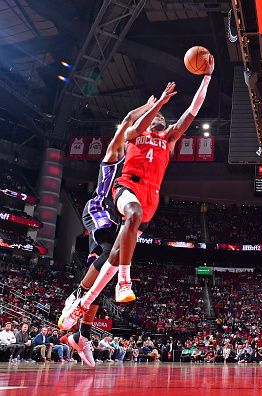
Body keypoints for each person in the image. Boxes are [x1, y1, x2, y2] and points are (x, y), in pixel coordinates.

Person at [61, 55, 214, 329]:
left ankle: (82, 305)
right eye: (158, 117)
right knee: (132, 214)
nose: (161, 119)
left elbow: (192, 111)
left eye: (162, 117)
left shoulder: (168, 139)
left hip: (152, 195)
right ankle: (124, 280)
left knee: (115, 253)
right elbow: (135, 125)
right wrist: (157, 105)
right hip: (127, 186)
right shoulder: (134, 134)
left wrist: (207, 78)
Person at [57, 96, 156, 365]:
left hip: (118, 215)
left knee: (105, 271)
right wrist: (146, 107)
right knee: (108, 256)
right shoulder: (116, 155)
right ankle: (77, 297)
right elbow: (125, 123)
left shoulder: (140, 165)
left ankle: (82, 336)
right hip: (100, 208)